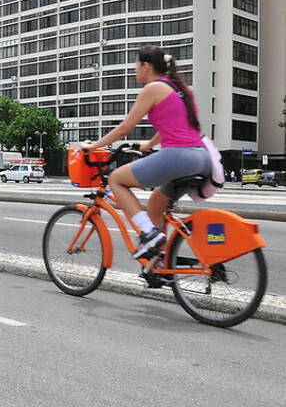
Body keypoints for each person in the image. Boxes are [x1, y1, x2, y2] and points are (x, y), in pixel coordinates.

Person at [81, 46, 211, 260]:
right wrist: (148, 144)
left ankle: (149, 234)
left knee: (116, 179)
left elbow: (125, 128)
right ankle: (159, 263)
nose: (135, 72)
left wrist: (93, 146)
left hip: (179, 156)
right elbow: (175, 125)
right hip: (201, 157)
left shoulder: (153, 88)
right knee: (155, 204)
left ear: (146, 66)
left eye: (136, 66)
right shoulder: (179, 88)